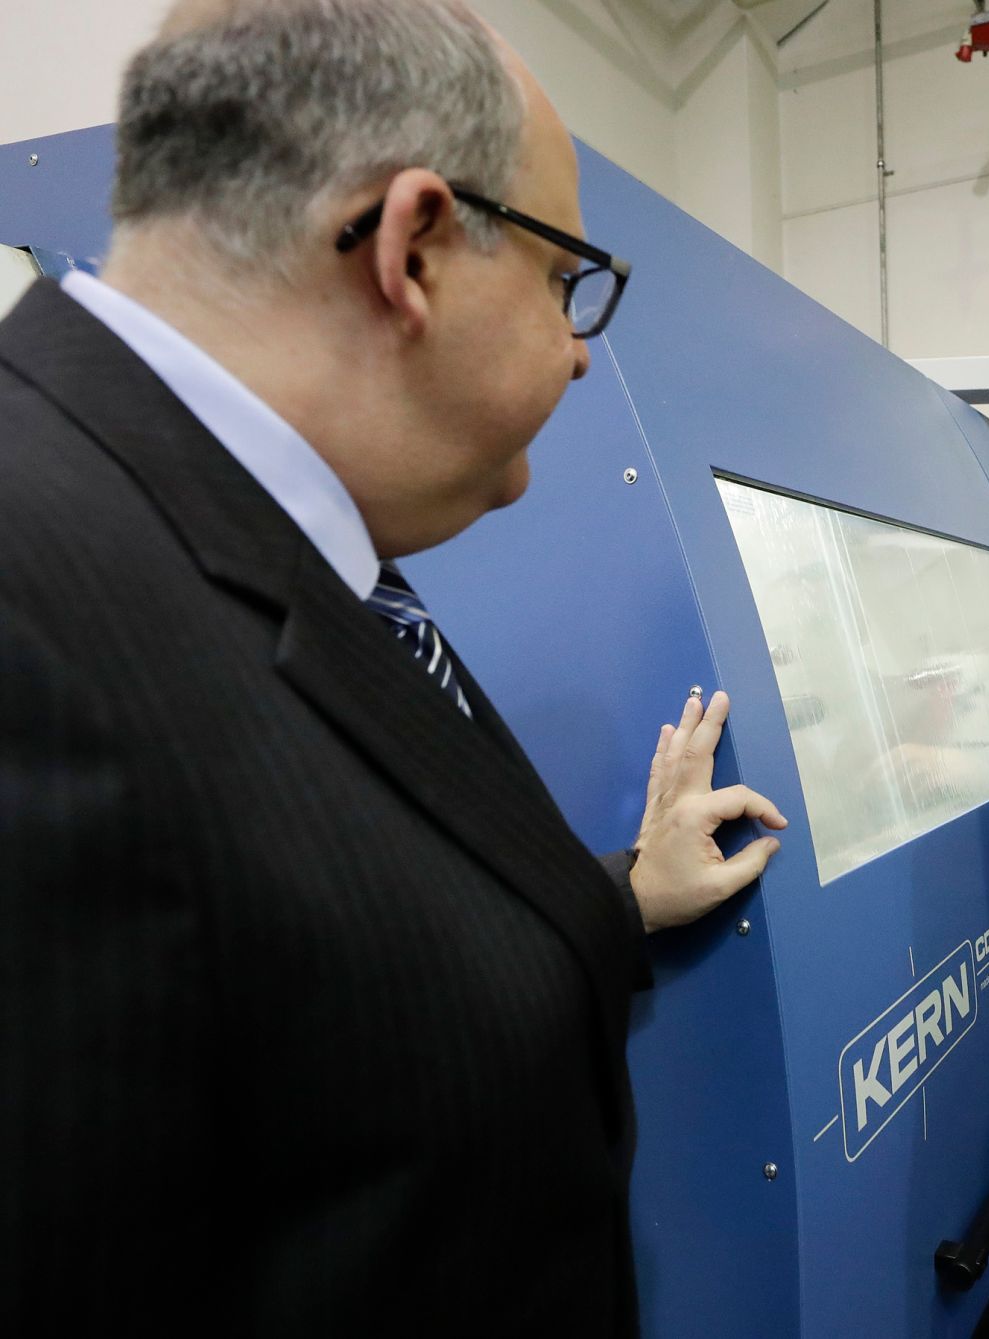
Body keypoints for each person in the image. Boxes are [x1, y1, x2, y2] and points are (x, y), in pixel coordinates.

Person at [0, 2, 785, 1333]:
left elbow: (307, 979)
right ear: (412, 246)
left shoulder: (267, 541)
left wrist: (612, 897)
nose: (577, 349)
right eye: (560, 283)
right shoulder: (39, 612)